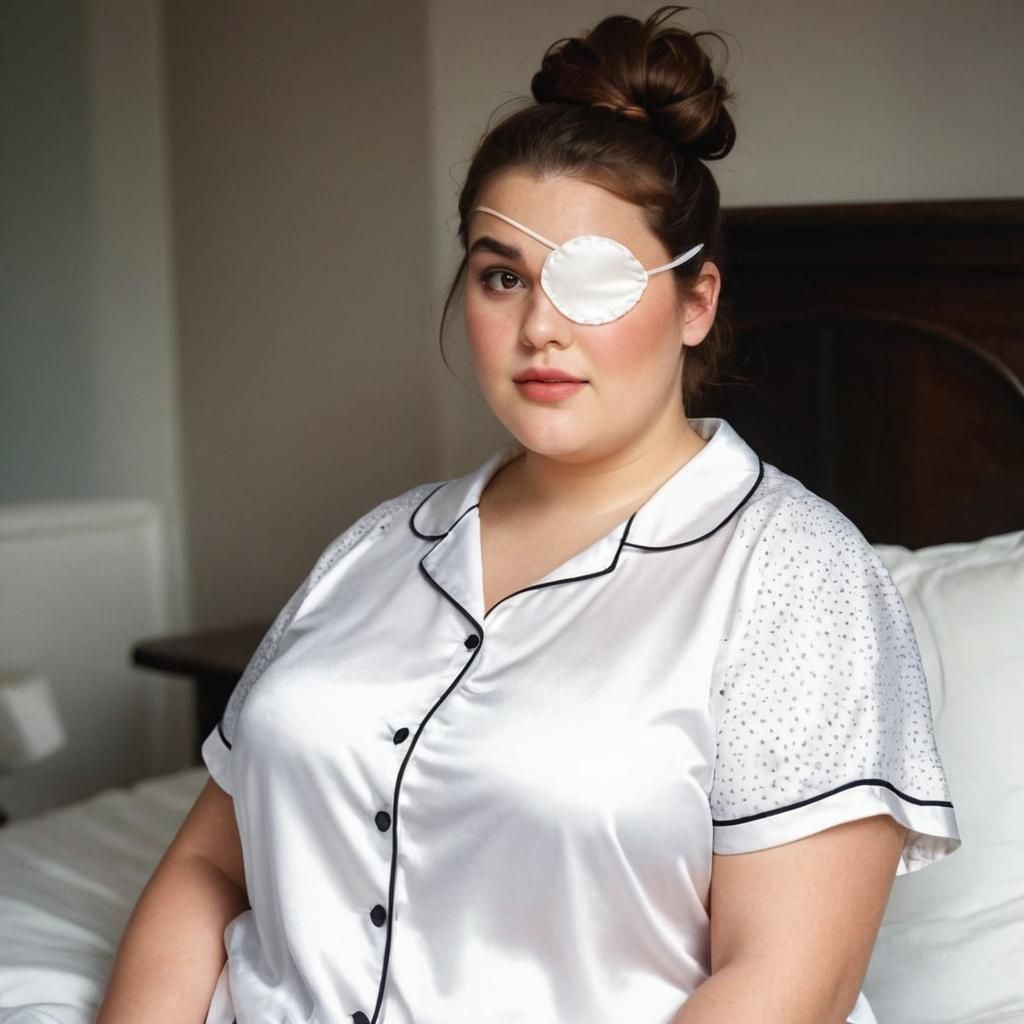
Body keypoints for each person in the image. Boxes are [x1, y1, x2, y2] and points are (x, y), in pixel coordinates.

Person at [97, 7, 961, 1023]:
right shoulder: (376, 546)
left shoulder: (792, 576)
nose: (541, 327)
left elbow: (787, 985)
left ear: (696, 303)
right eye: (503, 275)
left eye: (595, 281)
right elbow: (207, 864)